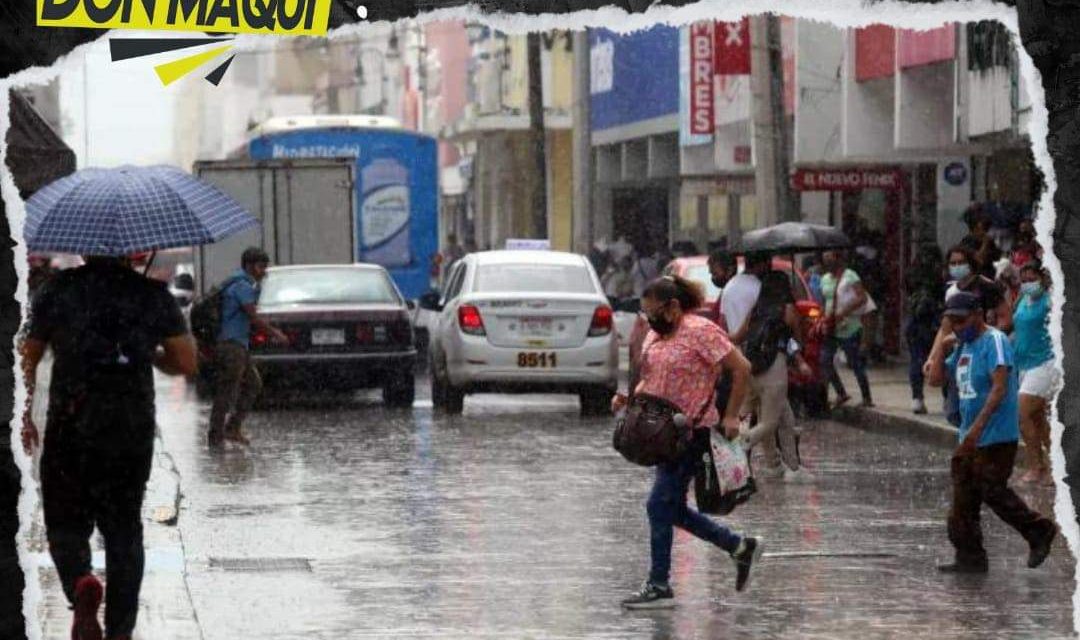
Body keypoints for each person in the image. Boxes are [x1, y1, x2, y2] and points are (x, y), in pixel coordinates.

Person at [19, 253, 198, 640]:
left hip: (71, 422)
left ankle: (80, 583)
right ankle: (120, 630)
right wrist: (148, 353)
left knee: (65, 522)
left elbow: (27, 357)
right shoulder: (151, 295)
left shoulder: (57, 290)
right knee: (124, 530)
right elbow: (186, 362)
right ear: (132, 251)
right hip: (129, 427)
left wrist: (23, 414)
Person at [615, 275, 760, 609]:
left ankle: (659, 584)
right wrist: (629, 400)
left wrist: (731, 415)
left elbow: (742, 368)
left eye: (655, 313)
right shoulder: (656, 333)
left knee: (658, 505)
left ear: (674, 307)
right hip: (661, 434)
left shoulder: (701, 331)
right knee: (671, 508)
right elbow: (653, 377)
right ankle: (740, 547)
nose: (650, 320)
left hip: (693, 432)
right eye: (645, 314)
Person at [927, 291, 1058, 573]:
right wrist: (942, 345)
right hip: (968, 436)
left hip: (995, 435)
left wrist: (977, 429)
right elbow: (935, 380)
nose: (959, 327)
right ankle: (970, 557)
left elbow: (999, 388)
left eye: (962, 321)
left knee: (992, 489)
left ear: (978, 315)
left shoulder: (994, 341)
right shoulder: (962, 346)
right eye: (954, 322)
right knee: (962, 503)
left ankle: (1039, 530)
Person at [727, 267, 813, 481]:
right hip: (775, 369)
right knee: (770, 422)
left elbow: (736, 337)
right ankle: (740, 445)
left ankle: (783, 467)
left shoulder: (755, 310)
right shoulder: (787, 309)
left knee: (786, 419)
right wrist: (801, 359)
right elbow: (795, 342)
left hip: (751, 368)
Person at [208, 248, 288, 448]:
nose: (264, 271)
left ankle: (231, 428)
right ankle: (216, 437)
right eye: (261, 267)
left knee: (252, 384)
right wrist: (275, 334)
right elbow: (253, 317)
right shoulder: (242, 286)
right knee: (227, 391)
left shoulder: (242, 284)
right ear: (250, 266)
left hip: (238, 344)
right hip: (231, 345)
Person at [1013, 262, 1059, 485]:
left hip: (1044, 363)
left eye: (1032, 279)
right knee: (1038, 419)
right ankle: (1056, 464)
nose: (1027, 284)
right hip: (1024, 365)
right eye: (1023, 280)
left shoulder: (1049, 301)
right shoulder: (1022, 301)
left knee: (1023, 413)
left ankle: (1036, 465)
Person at [818, 249, 874, 408]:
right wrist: (822, 319)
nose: (827, 262)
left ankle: (867, 397)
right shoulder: (825, 279)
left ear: (838, 259)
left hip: (849, 326)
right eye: (824, 259)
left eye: (829, 258)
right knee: (825, 360)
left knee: (855, 362)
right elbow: (824, 302)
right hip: (831, 326)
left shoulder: (851, 276)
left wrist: (845, 311)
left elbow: (862, 298)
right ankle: (841, 393)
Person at [905, 243, 946, 415]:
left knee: (917, 360)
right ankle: (947, 399)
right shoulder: (939, 275)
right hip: (934, 323)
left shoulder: (913, 273)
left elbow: (907, 290)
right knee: (943, 359)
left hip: (915, 321)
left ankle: (917, 398)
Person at [960, 209, 1003, 279]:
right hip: (975, 276)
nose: (985, 232)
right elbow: (978, 260)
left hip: (990, 275)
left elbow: (997, 258)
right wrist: (985, 243)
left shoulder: (990, 241)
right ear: (975, 228)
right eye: (983, 228)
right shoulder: (967, 242)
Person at [707, 248, 737, 324]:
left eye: (715, 273)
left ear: (730, 270)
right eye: (712, 274)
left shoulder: (731, 293)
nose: (713, 278)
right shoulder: (726, 291)